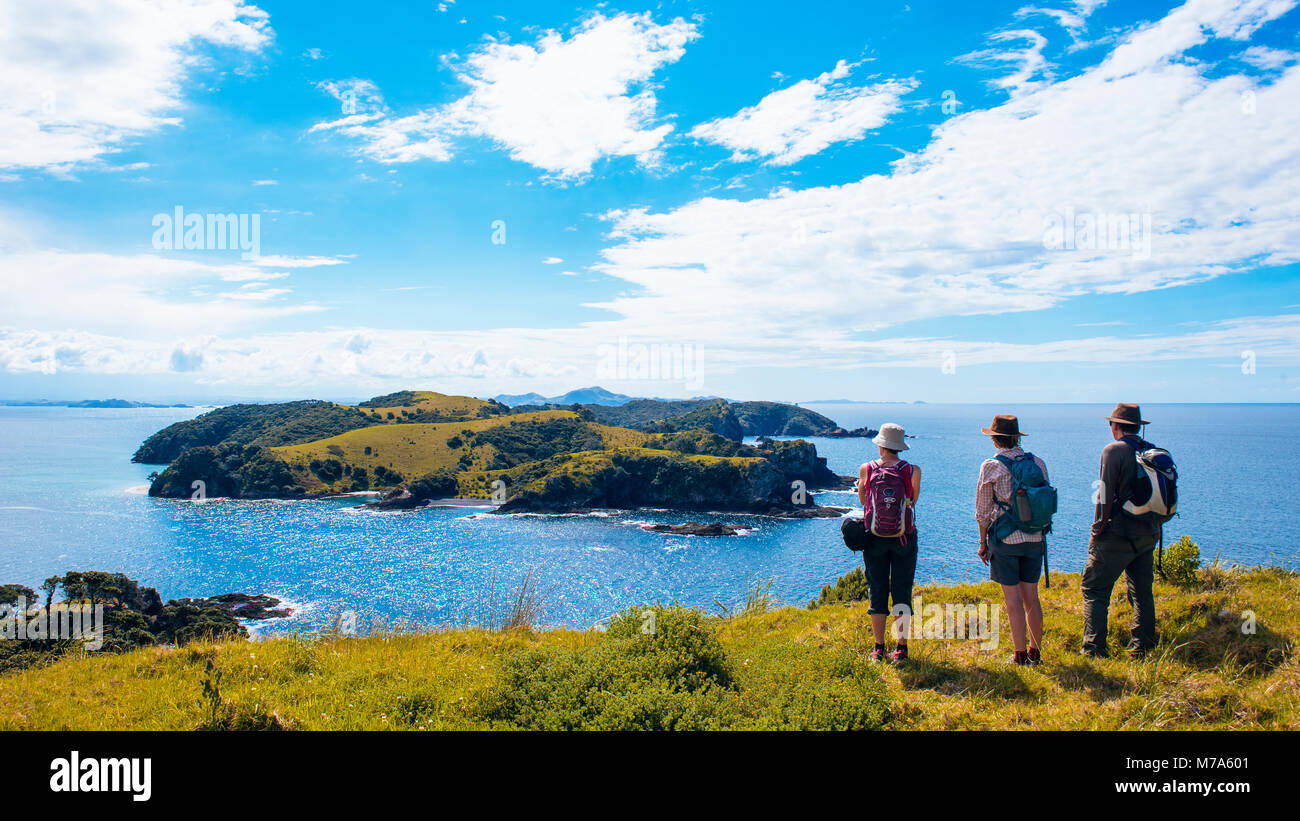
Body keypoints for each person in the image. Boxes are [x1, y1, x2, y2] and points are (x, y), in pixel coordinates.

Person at [1081, 403, 1162, 659]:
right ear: (1138, 427)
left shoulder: (1113, 451)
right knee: (1141, 591)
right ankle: (1142, 646)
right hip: (1148, 532)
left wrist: (1097, 528)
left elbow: (1104, 494)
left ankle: (1094, 650)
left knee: (1095, 590)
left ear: (1115, 426)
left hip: (1118, 533)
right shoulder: (1152, 451)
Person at [975, 415, 1049, 666]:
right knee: (1031, 596)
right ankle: (1035, 653)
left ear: (995, 439)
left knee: (1012, 600)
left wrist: (983, 543)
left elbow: (983, 511)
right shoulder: (1037, 462)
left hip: (1006, 540)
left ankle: (1019, 656)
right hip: (1036, 537)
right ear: (1017, 436)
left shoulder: (991, 466)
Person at [858, 423, 921, 662]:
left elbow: (864, 499)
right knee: (902, 590)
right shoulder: (912, 470)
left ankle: (878, 647)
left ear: (881, 445)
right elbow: (912, 500)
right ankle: (901, 647)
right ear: (899, 447)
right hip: (904, 537)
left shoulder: (867, 468)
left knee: (877, 590)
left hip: (874, 539)